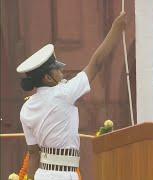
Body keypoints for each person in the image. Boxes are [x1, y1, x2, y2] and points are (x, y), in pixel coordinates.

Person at [16, 12, 126, 180]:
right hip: (64, 175)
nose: (62, 71)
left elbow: (33, 154)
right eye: (57, 69)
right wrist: (116, 29)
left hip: (42, 174)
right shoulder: (63, 93)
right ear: (47, 78)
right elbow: (96, 63)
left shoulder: (27, 107)